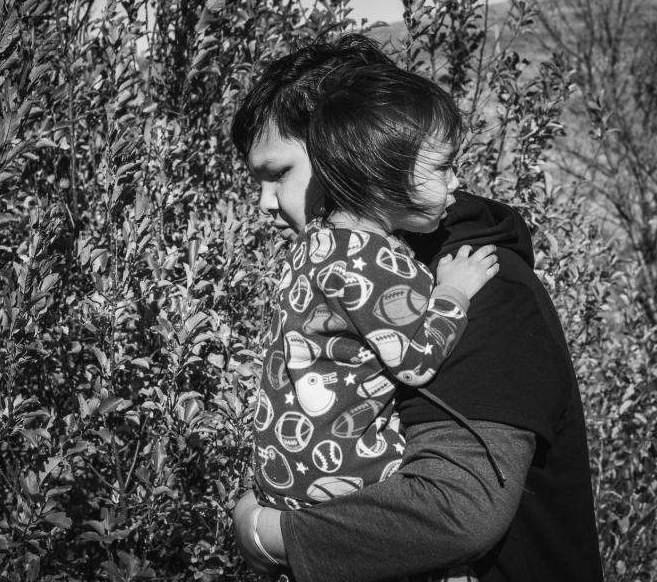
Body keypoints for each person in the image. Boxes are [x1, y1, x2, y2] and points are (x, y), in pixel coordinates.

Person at [230, 34, 604, 582]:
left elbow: (453, 511)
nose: (264, 203)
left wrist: (265, 534)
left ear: (353, 147)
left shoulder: (485, 286)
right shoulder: (351, 267)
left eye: (279, 173)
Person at [249, 62, 500, 581]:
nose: (458, 182)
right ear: (382, 174)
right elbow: (414, 362)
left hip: (285, 475)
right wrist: (453, 292)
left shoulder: (316, 243)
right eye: (443, 167)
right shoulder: (373, 259)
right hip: (344, 477)